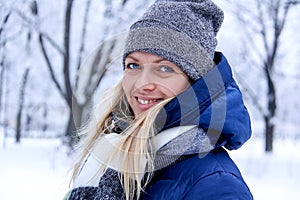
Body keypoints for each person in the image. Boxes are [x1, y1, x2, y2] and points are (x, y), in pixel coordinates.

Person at [66, 0, 253, 199]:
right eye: (133, 66)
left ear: (196, 82)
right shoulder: (112, 154)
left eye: (165, 68)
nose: (142, 83)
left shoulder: (216, 184)